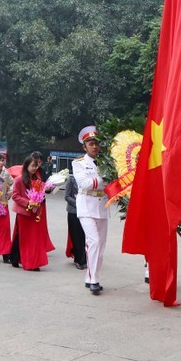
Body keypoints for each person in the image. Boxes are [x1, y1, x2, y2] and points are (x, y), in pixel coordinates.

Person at [72, 126, 108, 294]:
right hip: (86, 205)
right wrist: (103, 177)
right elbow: (84, 184)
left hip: (102, 206)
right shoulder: (78, 163)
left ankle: (91, 276)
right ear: (84, 146)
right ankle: (94, 279)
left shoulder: (106, 162)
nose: (95, 147)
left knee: (101, 244)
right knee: (93, 241)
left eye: (96, 144)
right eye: (91, 144)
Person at [9, 155, 55, 270]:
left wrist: (47, 189)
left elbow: (41, 193)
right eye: (33, 166)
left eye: (36, 166)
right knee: (23, 238)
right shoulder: (19, 179)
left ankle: (33, 261)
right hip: (23, 213)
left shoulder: (37, 180)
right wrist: (27, 202)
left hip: (35, 212)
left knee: (33, 239)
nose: (35, 168)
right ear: (26, 166)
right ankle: (22, 260)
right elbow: (15, 196)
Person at [64, 172, 87, 269]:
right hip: (73, 212)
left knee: (83, 236)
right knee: (76, 237)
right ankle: (80, 261)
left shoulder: (87, 179)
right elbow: (67, 196)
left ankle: (81, 258)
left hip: (86, 212)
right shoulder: (71, 179)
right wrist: (78, 203)